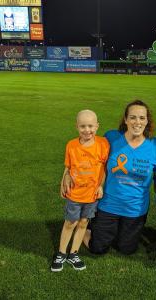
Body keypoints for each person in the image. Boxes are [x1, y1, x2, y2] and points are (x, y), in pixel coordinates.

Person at [72, 100, 156, 255]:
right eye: (133, 117)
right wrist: (68, 173)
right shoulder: (111, 137)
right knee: (98, 248)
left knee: (126, 249)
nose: (137, 122)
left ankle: (120, 231)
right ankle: (84, 226)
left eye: (142, 118)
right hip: (108, 205)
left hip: (135, 209)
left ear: (147, 121)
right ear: (126, 119)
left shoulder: (155, 145)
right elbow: (85, 152)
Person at [51, 110, 110, 272]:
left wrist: (100, 186)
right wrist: (63, 181)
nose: (87, 130)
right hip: (75, 193)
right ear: (77, 127)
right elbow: (68, 167)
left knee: (84, 222)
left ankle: (73, 253)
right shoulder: (71, 145)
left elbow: (104, 168)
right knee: (70, 222)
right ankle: (61, 253)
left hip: (92, 194)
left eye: (91, 126)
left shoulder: (103, 144)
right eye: (83, 126)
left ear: (97, 126)